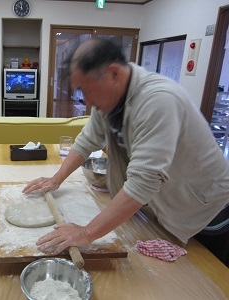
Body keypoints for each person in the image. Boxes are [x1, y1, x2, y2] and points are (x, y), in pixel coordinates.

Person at [23, 38, 229, 267]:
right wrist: (56, 180)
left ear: (113, 73)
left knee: (207, 278)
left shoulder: (158, 100)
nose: (86, 101)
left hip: (207, 210)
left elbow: (143, 182)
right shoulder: (110, 100)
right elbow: (86, 141)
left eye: (86, 89)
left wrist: (86, 233)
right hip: (167, 204)